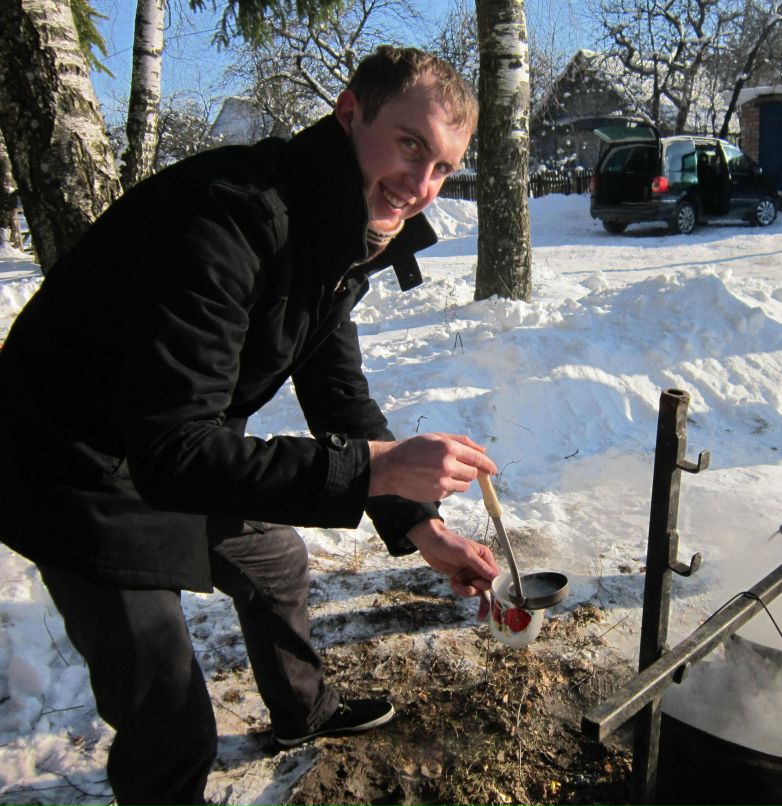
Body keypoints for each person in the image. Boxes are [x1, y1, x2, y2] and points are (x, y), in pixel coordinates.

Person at [0, 45, 499, 805]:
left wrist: (422, 527)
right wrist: (374, 469)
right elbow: (175, 454)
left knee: (275, 563)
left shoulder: (337, 230)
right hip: (68, 463)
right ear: (348, 111)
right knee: (171, 731)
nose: (421, 186)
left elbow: (339, 394)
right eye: (409, 145)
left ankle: (305, 712)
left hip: (159, 445)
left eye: (443, 169)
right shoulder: (227, 216)